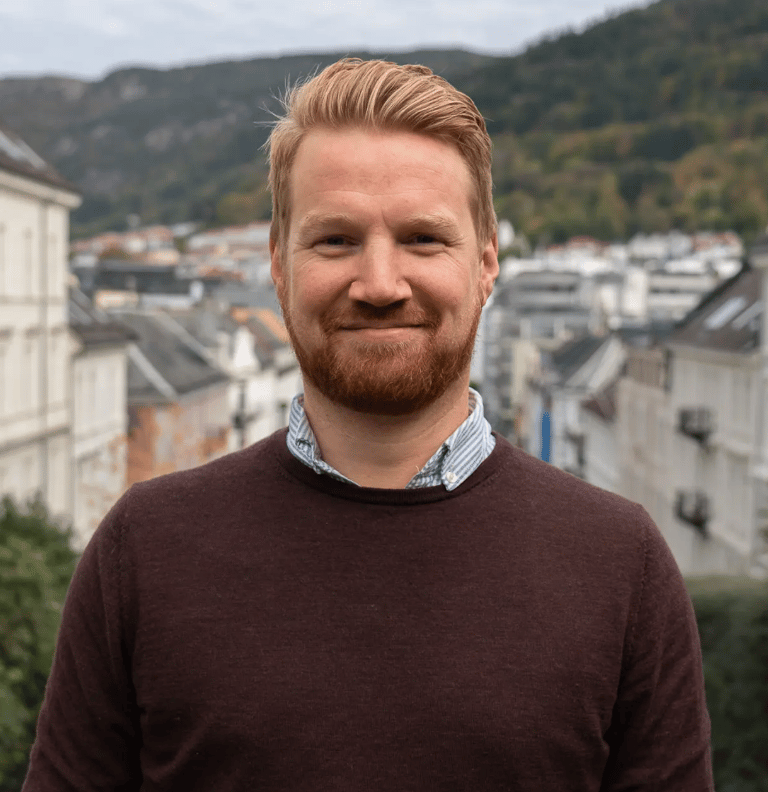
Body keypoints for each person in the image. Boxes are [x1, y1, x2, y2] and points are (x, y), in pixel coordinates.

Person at [24, 58, 713, 791]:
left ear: (485, 265)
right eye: (335, 241)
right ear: (279, 267)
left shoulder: (622, 564)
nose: (381, 284)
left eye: (422, 239)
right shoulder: (143, 550)